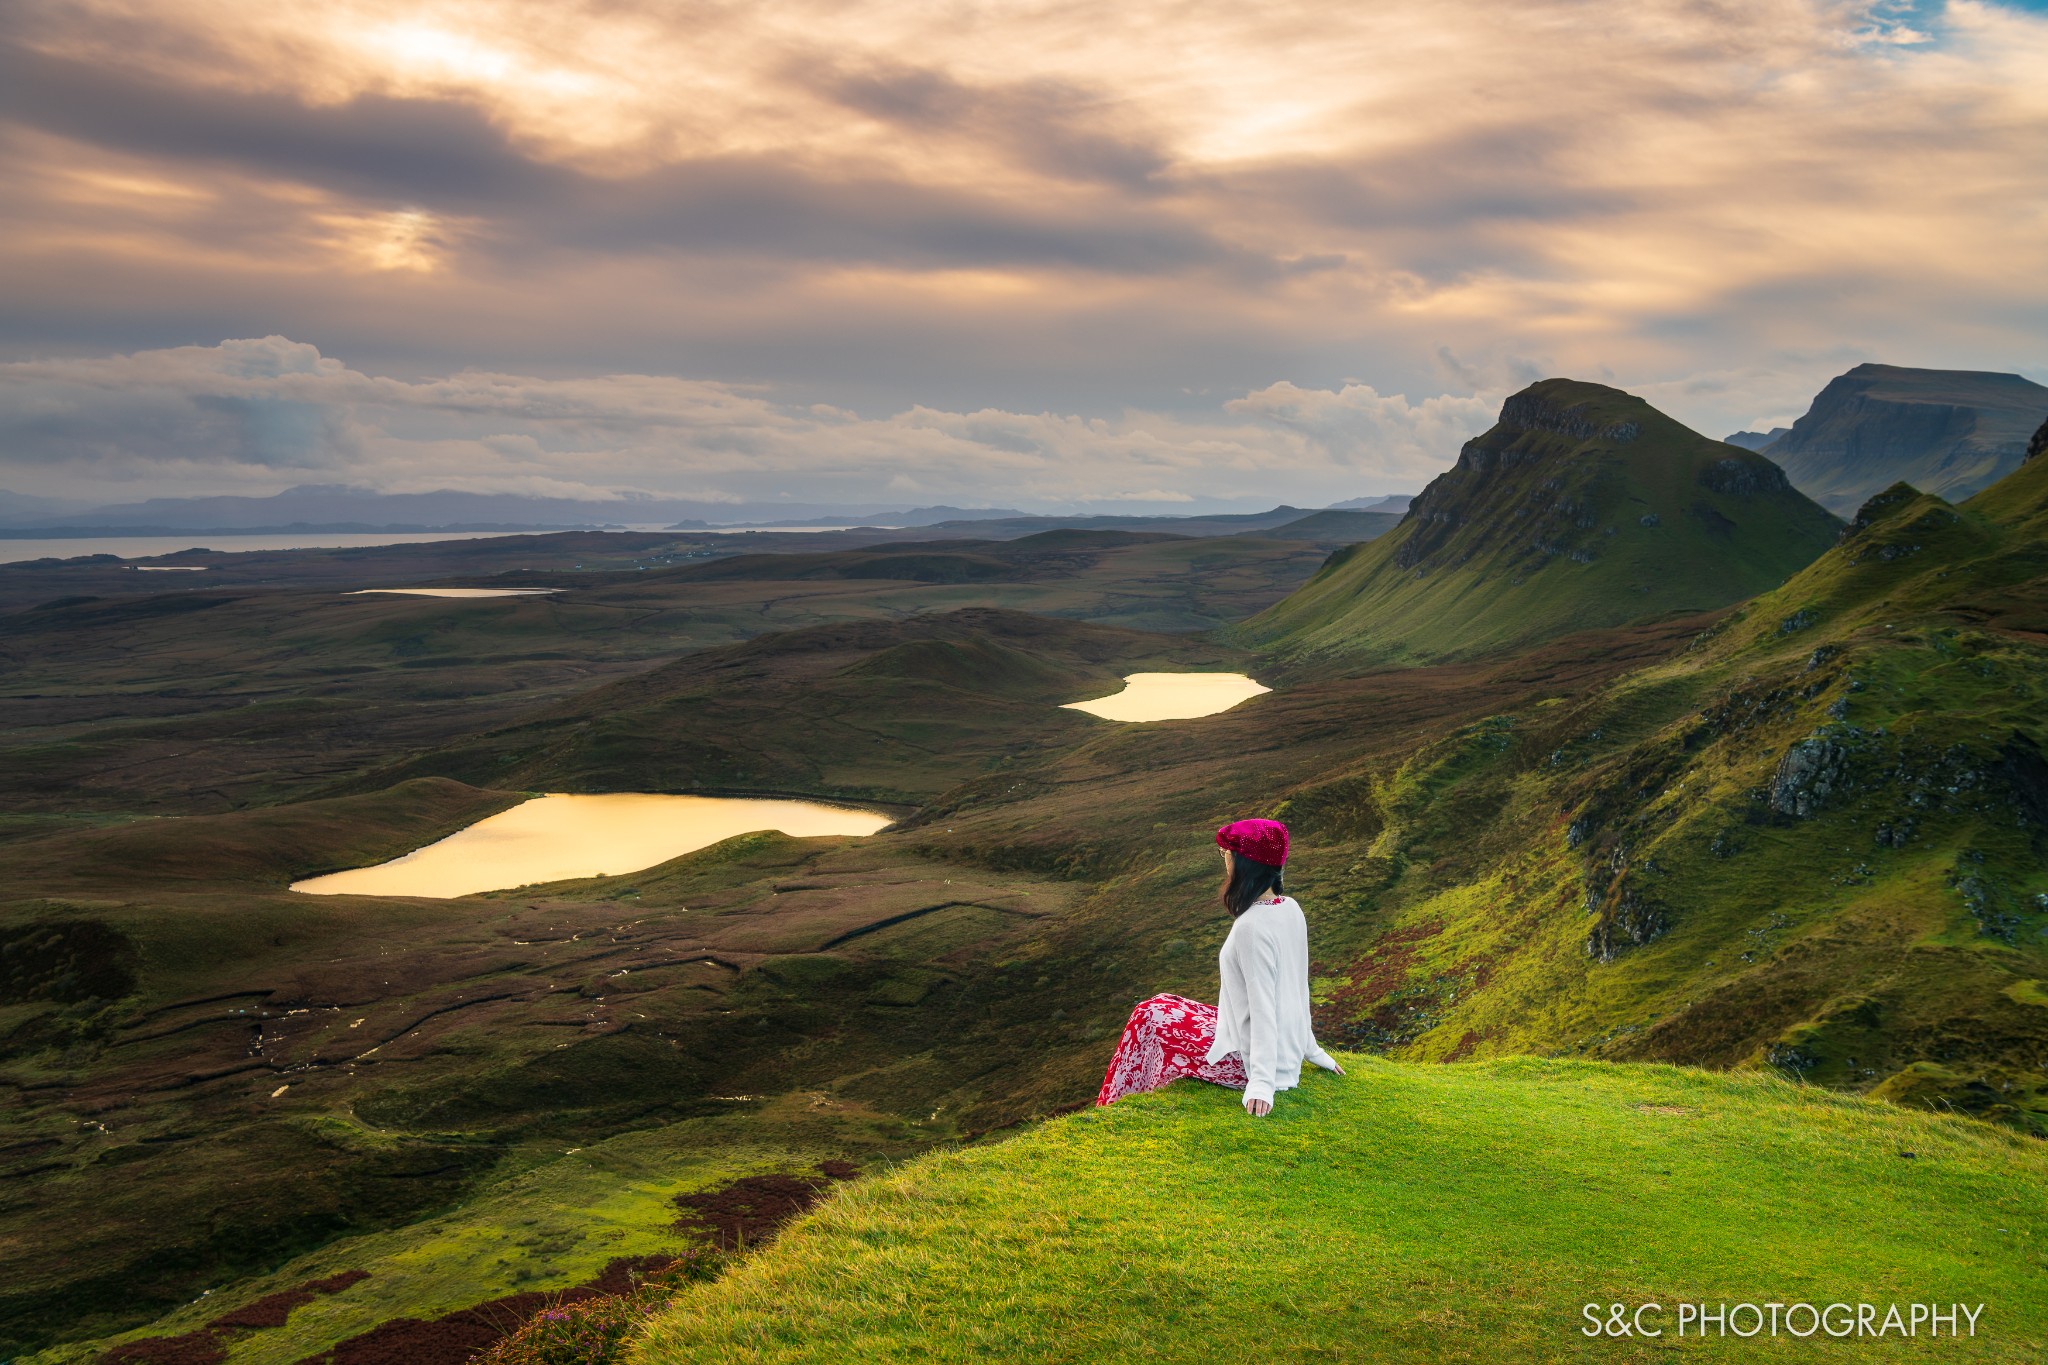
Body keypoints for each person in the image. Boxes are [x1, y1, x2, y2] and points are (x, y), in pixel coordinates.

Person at [1096, 817, 1344, 1116]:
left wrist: (1262, 1083)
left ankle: (1113, 1107)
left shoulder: (1250, 927)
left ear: (1244, 864)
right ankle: (1133, 1097)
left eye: (1227, 854)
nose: (1224, 860)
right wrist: (1312, 1051)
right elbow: (1296, 989)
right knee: (1159, 1004)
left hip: (1251, 1062)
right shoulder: (1290, 907)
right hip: (1280, 1047)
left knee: (1146, 1017)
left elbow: (1264, 1006)